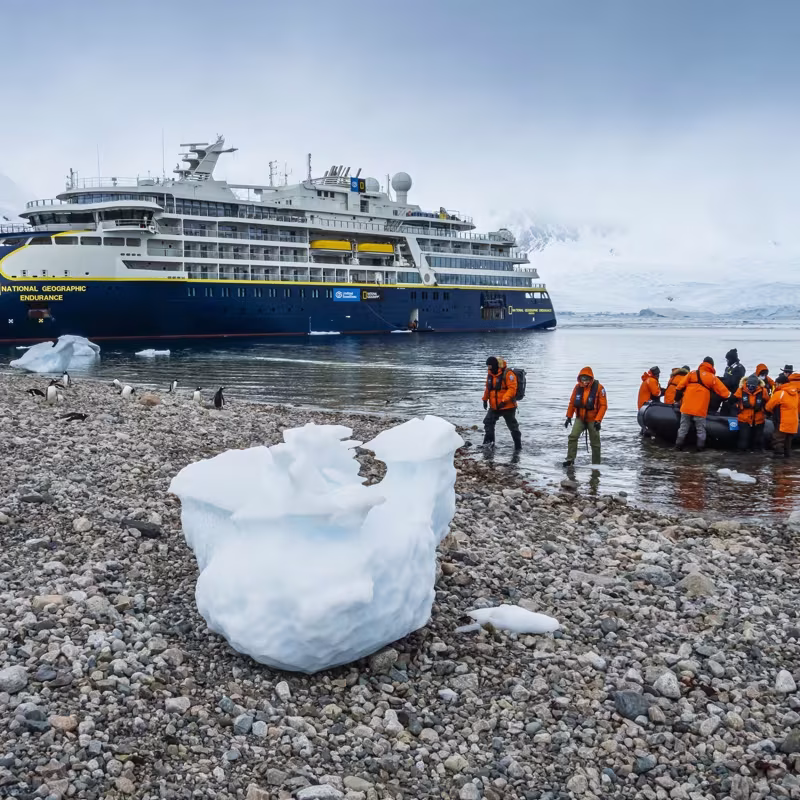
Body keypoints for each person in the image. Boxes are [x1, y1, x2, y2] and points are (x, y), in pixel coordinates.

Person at [675, 357, 731, 451]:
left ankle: (678, 446)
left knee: (683, 428)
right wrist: (733, 398)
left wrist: (676, 400)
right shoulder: (711, 377)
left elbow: (679, 387)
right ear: (711, 365)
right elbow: (724, 392)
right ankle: (700, 448)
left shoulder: (692, 373)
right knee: (700, 429)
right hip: (699, 409)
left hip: (686, 407)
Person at [563, 366, 607, 466]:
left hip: (593, 419)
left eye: (587, 379)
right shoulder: (577, 388)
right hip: (580, 418)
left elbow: (603, 406)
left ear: (591, 378)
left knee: (595, 443)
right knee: (573, 436)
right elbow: (572, 402)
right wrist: (569, 417)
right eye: (583, 378)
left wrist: (598, 420)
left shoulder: (600, 388)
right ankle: (570, 460)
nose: (585, 381)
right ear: (580, 378)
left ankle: (596, 464)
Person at [482, 356, 521, 450]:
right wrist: (485, 399)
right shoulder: (490, 374)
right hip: (494, 406)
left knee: (513, 427)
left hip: (508, 406)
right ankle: (489, 444)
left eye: (490, 366)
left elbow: (512, 389)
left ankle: (518, 447)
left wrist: (504, 401)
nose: (489, 368)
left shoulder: (508, 374)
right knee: (488, 423)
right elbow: (488, 388)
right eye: (488, 366)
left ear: (495, 365)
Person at [765, 371, 800, 458]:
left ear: (780, 383)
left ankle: (778, 458)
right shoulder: (795, 393)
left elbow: (769, 406)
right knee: (788, 441)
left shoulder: (780, 393)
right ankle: (787, 460)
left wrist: (769, 413)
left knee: (778, 439)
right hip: (794, 422)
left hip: (782, 422)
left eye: (777, 383)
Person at [733, 374, 769, 451]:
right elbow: (733, 401)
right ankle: (742, 453)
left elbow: (767, 403)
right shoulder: (741, 390)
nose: (750, 388)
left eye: (753, 386)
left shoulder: (763, 391)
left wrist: (767, 413)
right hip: (744, 418)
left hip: (758, 419)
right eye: (749, 386)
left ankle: (756, 453)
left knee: (757, 440)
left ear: (756, 386)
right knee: (743, 440)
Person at [711, 348, 746, 415]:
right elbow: (726, 378)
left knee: (728, 408)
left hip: (733, 394)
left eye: (728, 360)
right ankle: (712, 413)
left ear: (732, 359)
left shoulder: (739, 368)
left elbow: (733, 382)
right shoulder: (728, 368)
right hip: (726, 391)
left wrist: (720, 381)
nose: (727, 361)